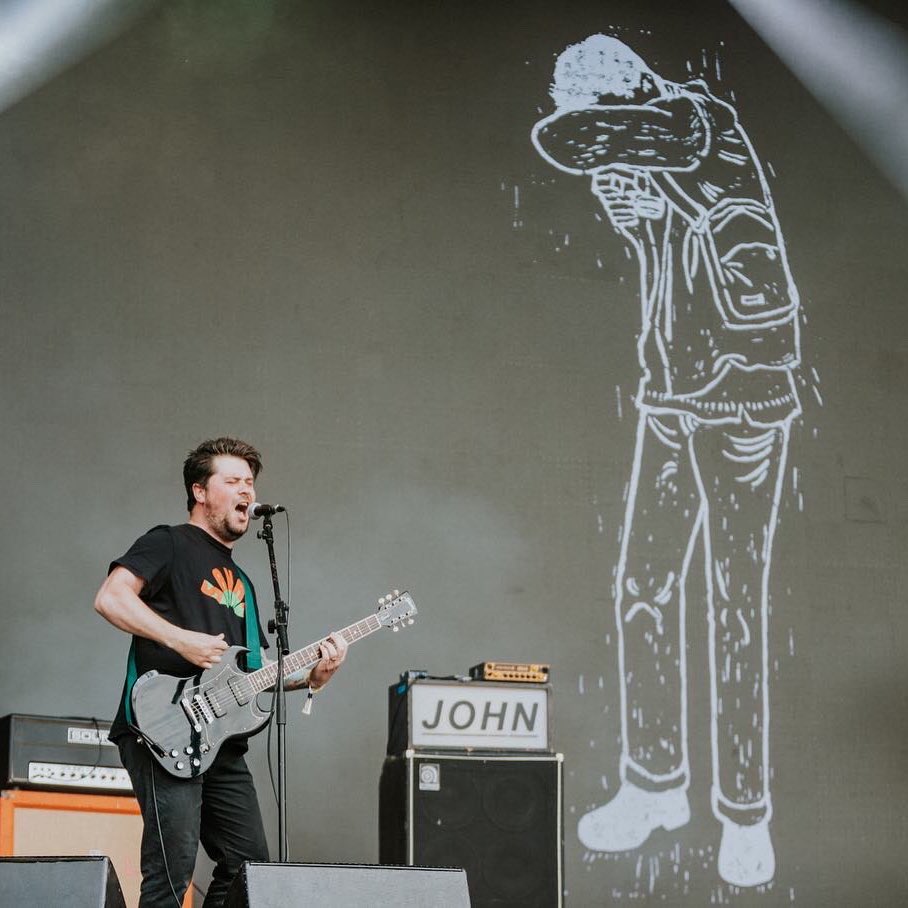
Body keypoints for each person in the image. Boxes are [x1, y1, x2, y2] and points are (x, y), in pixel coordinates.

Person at [532, 35, 802, 887]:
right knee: (643, 589)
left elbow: (588, 146)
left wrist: (615, 164)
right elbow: (677, 257)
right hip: (673, 396)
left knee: (735, 604)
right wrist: (642, 218)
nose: (597, 141)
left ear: (629, 95)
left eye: (602, 120)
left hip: (744, 396)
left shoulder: (693, 120)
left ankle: (747, 816)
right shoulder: (658, 147)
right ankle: (656, 785)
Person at [95, 437, 347, 908]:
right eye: (232, 481)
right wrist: (178, 638)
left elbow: (253, 673)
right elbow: (111, 597)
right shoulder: (167, 542)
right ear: (200, 491)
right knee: (170, 876)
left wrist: (311, 675)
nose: (246, 492)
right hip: (162, 727)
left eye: (250, 483)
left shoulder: (246, 585)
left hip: (221, 742)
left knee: (247, 870)